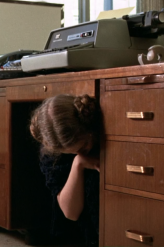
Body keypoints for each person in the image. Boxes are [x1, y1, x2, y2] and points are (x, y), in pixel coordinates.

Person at [29, 94, 101, 246]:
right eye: (73, 152)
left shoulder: (91, 119)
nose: (81, 152)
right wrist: (78, 164)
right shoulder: (53, 156)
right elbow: (71, 213)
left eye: (83, 147)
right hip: (78, 230)